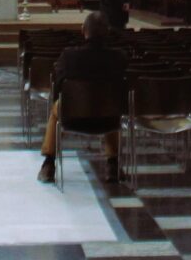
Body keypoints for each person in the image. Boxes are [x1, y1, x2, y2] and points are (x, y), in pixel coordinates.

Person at [38, 12, 127, 185]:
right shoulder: (119, 57)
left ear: (83, 31)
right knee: (112, 101)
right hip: (109, 121)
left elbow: (57, 87)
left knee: (56, 108)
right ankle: (112, 164)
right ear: (107, 32)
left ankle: (49, 163)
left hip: (72, 117)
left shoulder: (69, 56)